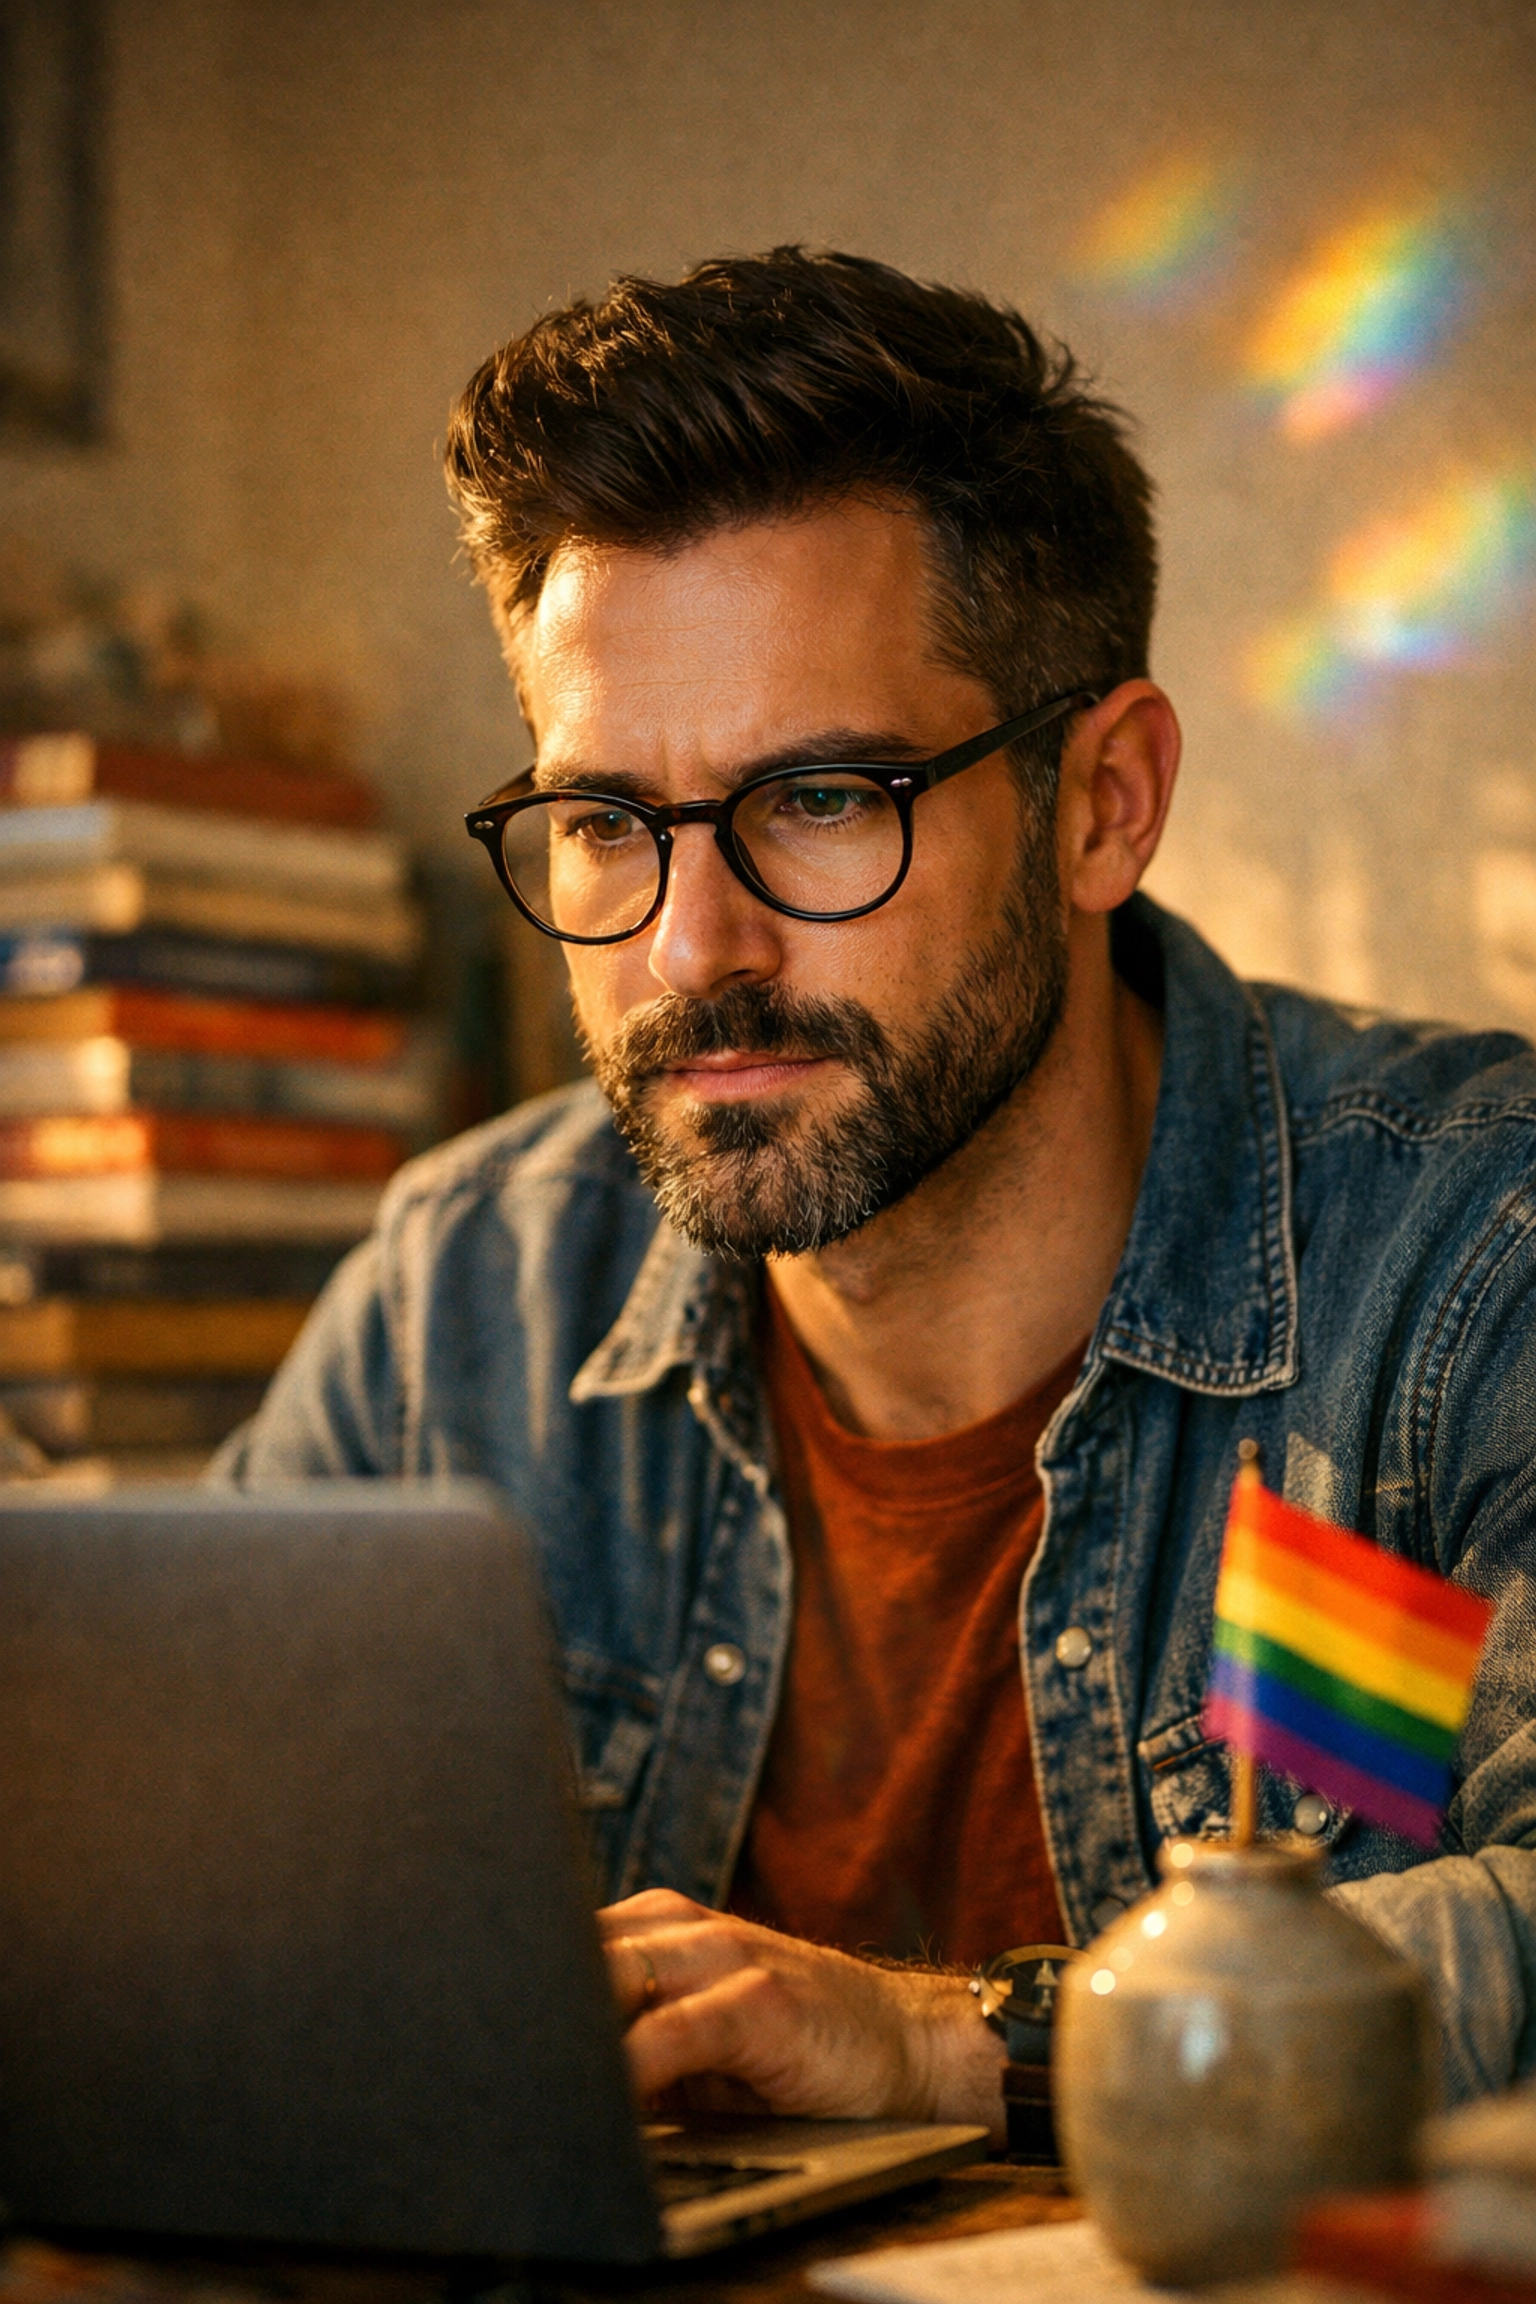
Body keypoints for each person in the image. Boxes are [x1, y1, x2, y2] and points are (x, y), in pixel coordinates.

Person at [216, 247, 1536, 2128]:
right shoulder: (464, 1302)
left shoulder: (1475, 1256)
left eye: (822, 800)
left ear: (1105, 802)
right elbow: (185, 1900)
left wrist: (950, 2038)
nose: (693, 951)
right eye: (604, 824)